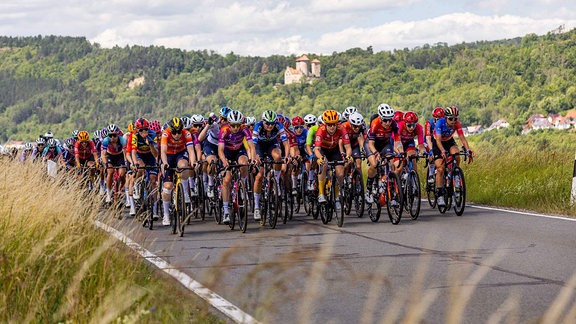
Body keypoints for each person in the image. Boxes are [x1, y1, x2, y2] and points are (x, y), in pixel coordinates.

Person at [252, 109, 290, 220]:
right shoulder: (258, 127)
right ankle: (256, 207)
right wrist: (255, 157)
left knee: (278, 157)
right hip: (259, 146)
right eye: (267, 123)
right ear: (263, 122)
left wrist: (286, 157)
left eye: (272, 123)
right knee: (259, 176)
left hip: (271, 144)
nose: (270, 126)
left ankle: (276, 181)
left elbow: (286, 144)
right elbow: (253, 146)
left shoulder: (279, 126)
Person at [218, 110, 255, 224]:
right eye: (233, 125)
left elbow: (251, 146)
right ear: (229, 124)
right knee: (227, 179)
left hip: (239, 150)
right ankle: (225, 211)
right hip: (227, 153)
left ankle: (242, 184)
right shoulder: (224, 130)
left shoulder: (244, 129)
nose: (235, 128)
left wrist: (252, 159)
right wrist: (224, 161)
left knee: (244, 163)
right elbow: (220, 150)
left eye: (237, 125)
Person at [433, 106, 474, 206]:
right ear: (446, 117)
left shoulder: (457, 124)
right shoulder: (440, 123)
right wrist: (442, 151)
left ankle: (455, 173)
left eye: (455, 118)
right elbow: (438, 140)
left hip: (449, 141)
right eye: (451, 118)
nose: (453, 121)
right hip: (438, 143)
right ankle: (440, 195)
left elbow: (462, 139)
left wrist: (468, 150)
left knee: (456, 154)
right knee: (440, 168)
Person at [160, 117, 197, 226]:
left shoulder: (186, 134)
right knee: (167, 186)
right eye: (174, 132)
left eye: (179, 132)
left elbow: (191, 150)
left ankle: (185, 192)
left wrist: (194, 162)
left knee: (183, 166)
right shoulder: (165, 134)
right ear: (170, 130)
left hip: (180, 153)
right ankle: (166, 215)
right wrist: (165, 163)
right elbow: (163, 151)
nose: (177, 135)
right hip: (169, 155)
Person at [314, 109, 353, 210]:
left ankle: (336, 197)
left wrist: (348, 156)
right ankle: (321, 193)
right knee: (324, 164)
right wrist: (320, 158)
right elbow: (316, 149)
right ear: (325, 124)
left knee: (340, 173)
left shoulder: (342, 128)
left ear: (337, 123)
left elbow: (348, 147)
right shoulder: (321, 130)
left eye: (334, 124)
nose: (332, 127)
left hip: (334, 150)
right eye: (329, 124)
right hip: (323, 150)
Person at [365, 103, 399, 204]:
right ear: (380, 118)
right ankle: (369, 189)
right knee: (374, 164)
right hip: (371, 143)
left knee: (391, 162)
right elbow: (371, 143)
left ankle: (392, 192)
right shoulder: (375, 123)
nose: (388, 122)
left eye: (389, 119)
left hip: (385, 143)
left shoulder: (394, 124)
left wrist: (401, 152)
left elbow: (397, 141)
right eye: (385, 120)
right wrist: (375, 153)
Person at [131, 118, 159, 218]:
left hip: (150, 156)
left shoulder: (153, 135)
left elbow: (155, 154)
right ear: (137, 131)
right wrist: (135, 163)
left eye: (146, 129)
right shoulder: (135, 136)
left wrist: (150, 144)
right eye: (141, 130)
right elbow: (133, 153)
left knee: (153, 181)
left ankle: (155, 210)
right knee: (141, 167)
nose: (144, 132)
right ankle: (137, 187)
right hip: (140, 156)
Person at [102, 124, 129, 210]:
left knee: (122, 174)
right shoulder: (106, 141)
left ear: (118, 135)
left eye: (114, 135)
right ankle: (108, 194)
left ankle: (122, 189)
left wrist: (125, 163)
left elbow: (125, 153)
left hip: (120, 156)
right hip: (110, 156)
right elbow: (103, 154)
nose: (112, 137)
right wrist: (106, 163)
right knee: (110, 172)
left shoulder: (122, 140)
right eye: (110, 135)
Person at [425, 107, 444, 186]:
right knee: (432, 155)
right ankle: (431, 173)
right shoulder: (429, 123)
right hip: (429, 140)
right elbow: (428, 138)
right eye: (436, 120)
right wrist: (431, 150)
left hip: (438, 141)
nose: (438, 122)